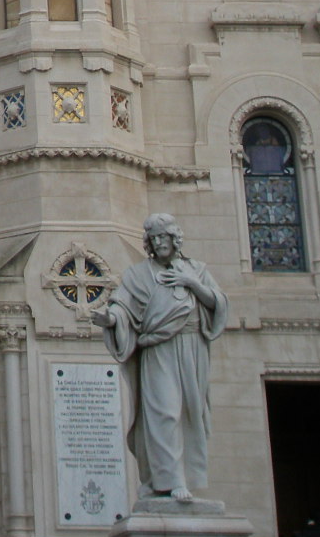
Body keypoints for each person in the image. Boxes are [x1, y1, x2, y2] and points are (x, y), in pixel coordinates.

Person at [95, 212, 230, 501]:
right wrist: (110, 319)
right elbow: (122, 307)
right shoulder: (139, 274)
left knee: (189, 415)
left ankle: (181, 478)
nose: (159, 243)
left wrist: (191, 283)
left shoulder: (196, 269)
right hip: (158, 350)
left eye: (163, 237)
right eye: (153, 239)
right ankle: (170, 480)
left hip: (192, 347)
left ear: (174, 238)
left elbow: (217, 304)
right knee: (163, 413)